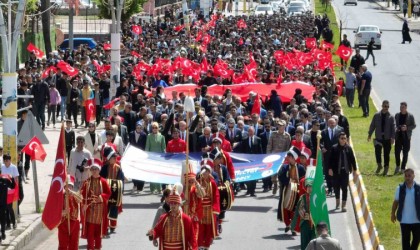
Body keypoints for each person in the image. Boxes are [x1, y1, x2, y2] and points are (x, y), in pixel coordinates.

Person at [80, 158, 111, 250]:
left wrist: (101, 197)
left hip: (100, 211)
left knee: (98, 232)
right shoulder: (86, 182)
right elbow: (83, 195)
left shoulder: (104, 182)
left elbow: (108, 193)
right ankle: (90, 248)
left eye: (96, 169)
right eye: (92, 169)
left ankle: (97, 247)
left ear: (99, 170)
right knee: (90, 232)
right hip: (90, 211)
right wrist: (83, 204)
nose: (94, 171)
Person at [278, 147, 306, 236]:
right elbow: (280, 177)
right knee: (285, 208)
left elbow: (303, 179)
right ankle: (288, 224)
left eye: (289, 157)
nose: (288, 158)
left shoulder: (300, 168)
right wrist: (288, 181)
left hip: (297, 190)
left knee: (294, 209)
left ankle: (293, 227)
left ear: (294, 158)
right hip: (287, 190)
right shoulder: (285, 167)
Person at [391, 168, 420, 250]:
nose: (407, 178)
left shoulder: (418, 188)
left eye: (409, 176)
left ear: (413, 176)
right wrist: (393, 214)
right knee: (405, 243)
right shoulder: (400, 188)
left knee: (416, 241)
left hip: (417, 221)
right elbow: (395, 202)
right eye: (406, 176)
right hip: (404, 221)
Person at [328, 132, 357, 212]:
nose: (343, 140)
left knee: (344, 188)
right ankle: (337, 201)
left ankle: (343, 205)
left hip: (345, 172)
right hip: (336, 171)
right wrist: (330, 169)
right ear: (339, 139)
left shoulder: (348, 148)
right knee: (336, 188)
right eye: (342, 138)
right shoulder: (334, 148)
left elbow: (352, 159)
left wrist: (354, 170)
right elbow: (330, 160)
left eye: (345, 138)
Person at [99, 148, 124, 234]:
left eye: (115, 157)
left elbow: (121, 180)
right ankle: (105, 226)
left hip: (115, 192)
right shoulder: (104, 167)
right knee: (105, 209)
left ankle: (113, 226)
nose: (115, 159)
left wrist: (121, 191)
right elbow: (101, 178)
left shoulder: (118, 168)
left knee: (114, 208)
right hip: (106, 191)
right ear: (109, 159)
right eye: (113, 158)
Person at [368, 100, 395, 176]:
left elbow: (393, 128)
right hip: (378, 138)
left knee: (386, 154)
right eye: (385, 106)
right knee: (377, 152)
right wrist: (370, 134)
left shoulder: (391, 117)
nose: (386, 108)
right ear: (382, 106)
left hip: (387, 139)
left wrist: (393, 137)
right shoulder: (376, 115)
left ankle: (386, 168)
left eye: (388, 106)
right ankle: (379, 165)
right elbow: (372, 125)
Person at [197, 163, 220, 250]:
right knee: (200, 227)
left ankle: (206, 246)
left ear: (209, 172)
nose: (205, 173)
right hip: (200, 209)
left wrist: (215, 208)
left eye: (207, 171)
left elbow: (216, 195)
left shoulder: (213, 183)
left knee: (208, 228)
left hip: (209, 209)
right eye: (204, 171)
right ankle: (200, 245)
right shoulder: (198, 182)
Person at [267, 119, 291, 195]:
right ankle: (275, 184)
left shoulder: (287, 136)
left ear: (284, 126)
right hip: (273, 156)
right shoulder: (273, 134)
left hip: (282, 158)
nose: (280, 127)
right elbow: (269, 145)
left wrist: (287, 157)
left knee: (281, 173)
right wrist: (268, 155)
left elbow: (288, 148)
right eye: (279, 125)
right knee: (273, 173)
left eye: (282, 125)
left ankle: (281, 187)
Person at [57, 175, 82, 250]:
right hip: (63, 223)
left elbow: (81, 199)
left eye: (70, 186)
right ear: (64, 187)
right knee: (63, 244)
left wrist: (72, 193)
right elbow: (56, 212)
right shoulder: (60, 196)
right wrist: (63, 212)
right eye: (67, 186)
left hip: (74, 223)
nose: (68, 188)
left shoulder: (75, 195)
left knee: (74, 244)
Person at [291, 179, 316, 250]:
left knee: (314, 243)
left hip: (315, 224)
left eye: (311, 187)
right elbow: (298, 210)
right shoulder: (303, 197)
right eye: (308, 187)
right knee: (305, 244)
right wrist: (305, 215)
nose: (309, 189)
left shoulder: (317, 197)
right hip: (305, 223)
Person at [239, 127, 262, 197]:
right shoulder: (244, 140)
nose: (250, 133)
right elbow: (242, 151)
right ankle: (248, 190)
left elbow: (260, 151)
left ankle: (253, 191)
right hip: (247, 161)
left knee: (254, 176)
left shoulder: (258, 139)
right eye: (249, 131)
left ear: (254, 132)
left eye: (251, 131)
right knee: (248, 176)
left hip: (255, 161)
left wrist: (260, 160)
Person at [394, 102, 416, 175]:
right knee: (397, 152)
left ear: (406, 108)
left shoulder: (410, 116)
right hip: (398, 137)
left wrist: (407, 128)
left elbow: (414, 125)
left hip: (406, 137)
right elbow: (394, 124)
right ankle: (397, 166)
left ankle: (403, 168)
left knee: (405, 153)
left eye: (403, 107)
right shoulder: (397, 115)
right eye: (401, 107)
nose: (401, 108)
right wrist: (396, 129)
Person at [145, 121, 166, 193]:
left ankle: (159, 188)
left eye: (156, 127)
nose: (154, 129)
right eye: (153, 127)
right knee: (152, 173)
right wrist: (146, 156)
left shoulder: (162, 137)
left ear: (158, 128)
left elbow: (164, 148)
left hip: (159, 158)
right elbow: (147, 147)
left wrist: (164, 157)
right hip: (152, 158)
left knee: (159, 173)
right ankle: (152, 189)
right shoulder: (149, 136)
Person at [128, 121, 147, 193]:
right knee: (133, 170)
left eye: (140, 127)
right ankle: (135, 184)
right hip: (133, 154)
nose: (138, 128)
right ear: (135, 127)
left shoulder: (144, 135)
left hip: (141, 155)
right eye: (137, 127)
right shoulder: (131, 134)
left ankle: (140, 187)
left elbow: (145, 145)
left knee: (140, 170)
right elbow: (129, 143)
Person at [1, 154, 19, 230]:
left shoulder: (13, 167)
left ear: (10, 160)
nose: (6, 162)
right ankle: (7, 224)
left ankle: (14, 223)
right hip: (3, 190)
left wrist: (15, 190)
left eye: (7, 160)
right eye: (5, 161)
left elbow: (16, 179)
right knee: (4, 208)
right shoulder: (2, 167)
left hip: (11, 190)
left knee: (9, 207)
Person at [0, 173, 15, 242]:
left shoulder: (5, 180)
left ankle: (2, 232)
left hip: (3, 205)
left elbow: (12, 186)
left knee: (3, 220)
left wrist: (12, 178)